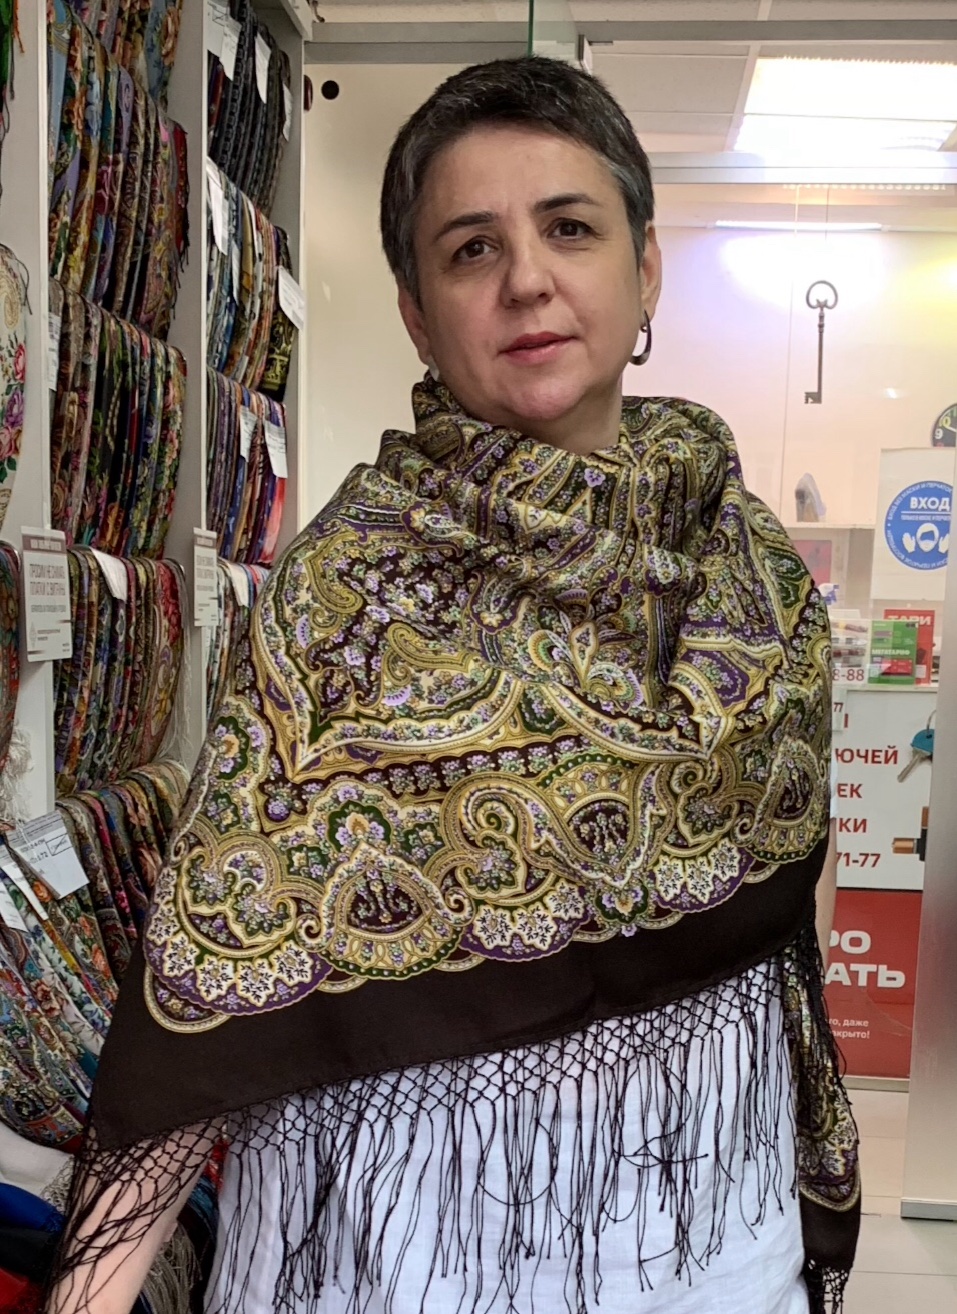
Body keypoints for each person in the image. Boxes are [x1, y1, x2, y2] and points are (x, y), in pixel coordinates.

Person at [47, 56, 859, 1314]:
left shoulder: (750, 577)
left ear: (646, 269)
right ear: (419, 315)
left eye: (570, 228)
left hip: (715, 1246)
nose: (527, 278)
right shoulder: (350, 593)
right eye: (471, 249)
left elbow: (778, 925)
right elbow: (219, 961)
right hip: (401, 1256)